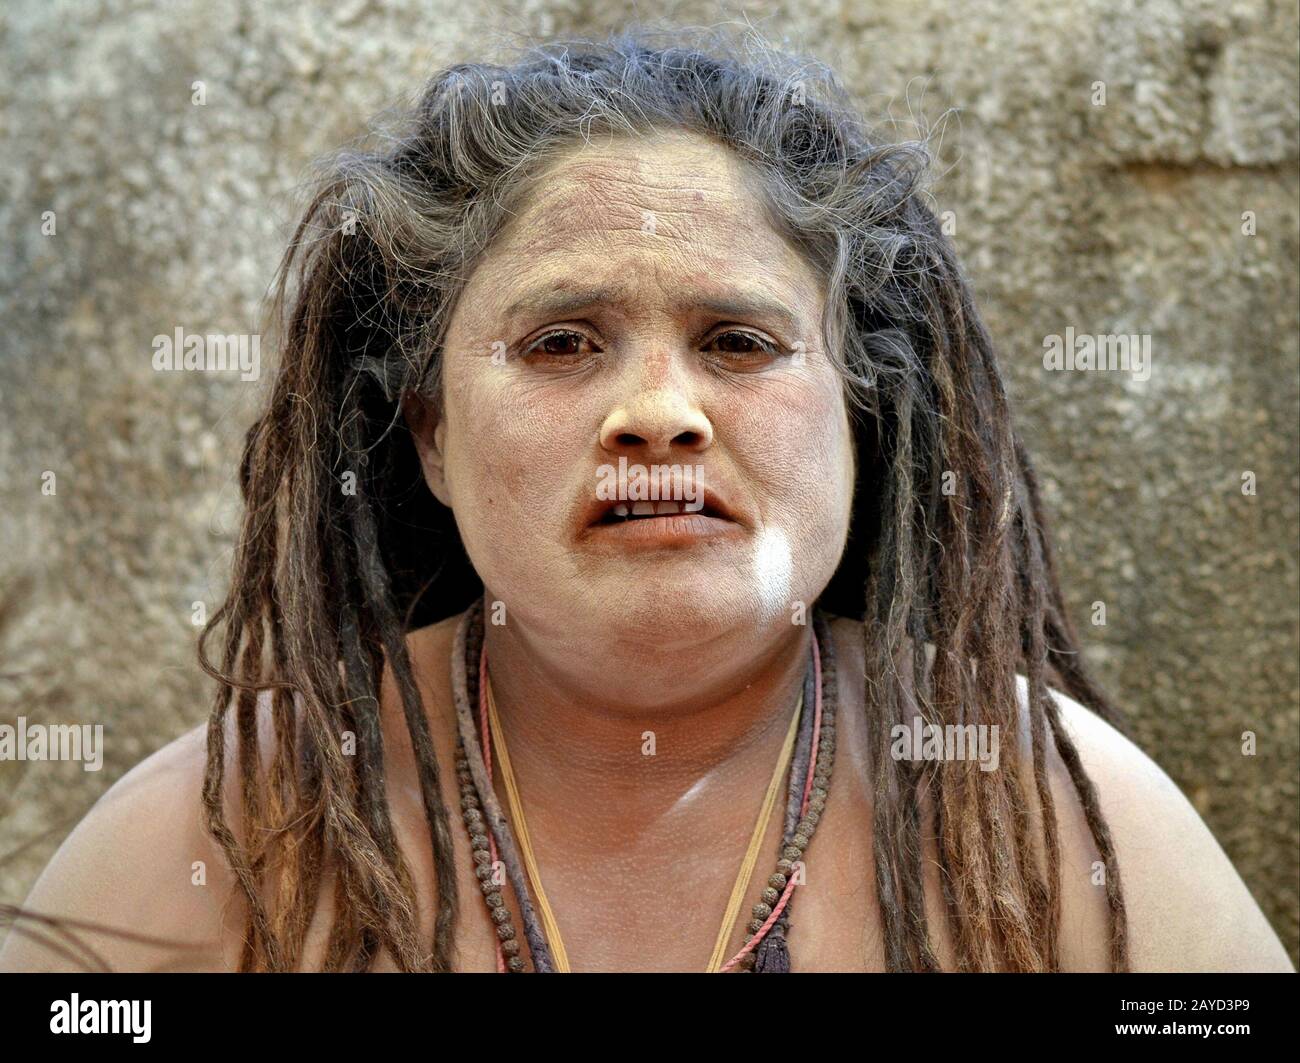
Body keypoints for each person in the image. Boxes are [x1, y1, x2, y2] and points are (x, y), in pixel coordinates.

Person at [1, 29, 1290, 973]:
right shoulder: (241, 833)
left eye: (740, 341)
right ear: (433, 438)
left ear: (859, 414)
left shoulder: (1037, 814)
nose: (658, 412)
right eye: (562, 344)